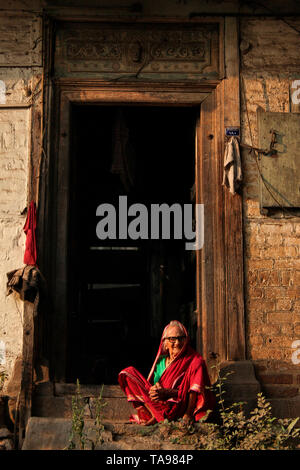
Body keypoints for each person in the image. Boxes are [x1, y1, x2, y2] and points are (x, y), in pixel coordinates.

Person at [118, 320, 215, 425]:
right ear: (165, 343)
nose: (177, 343)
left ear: (186, 340)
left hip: (176, 406)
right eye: (172, 339)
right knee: (128, 373)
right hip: (158, 403)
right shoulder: (161, 361)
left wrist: (187, 413)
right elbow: (154, 386)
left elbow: (191, 392)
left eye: (181, 338)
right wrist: (154, 390)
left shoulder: (195, 361)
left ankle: (159, 417)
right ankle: (156, 415)